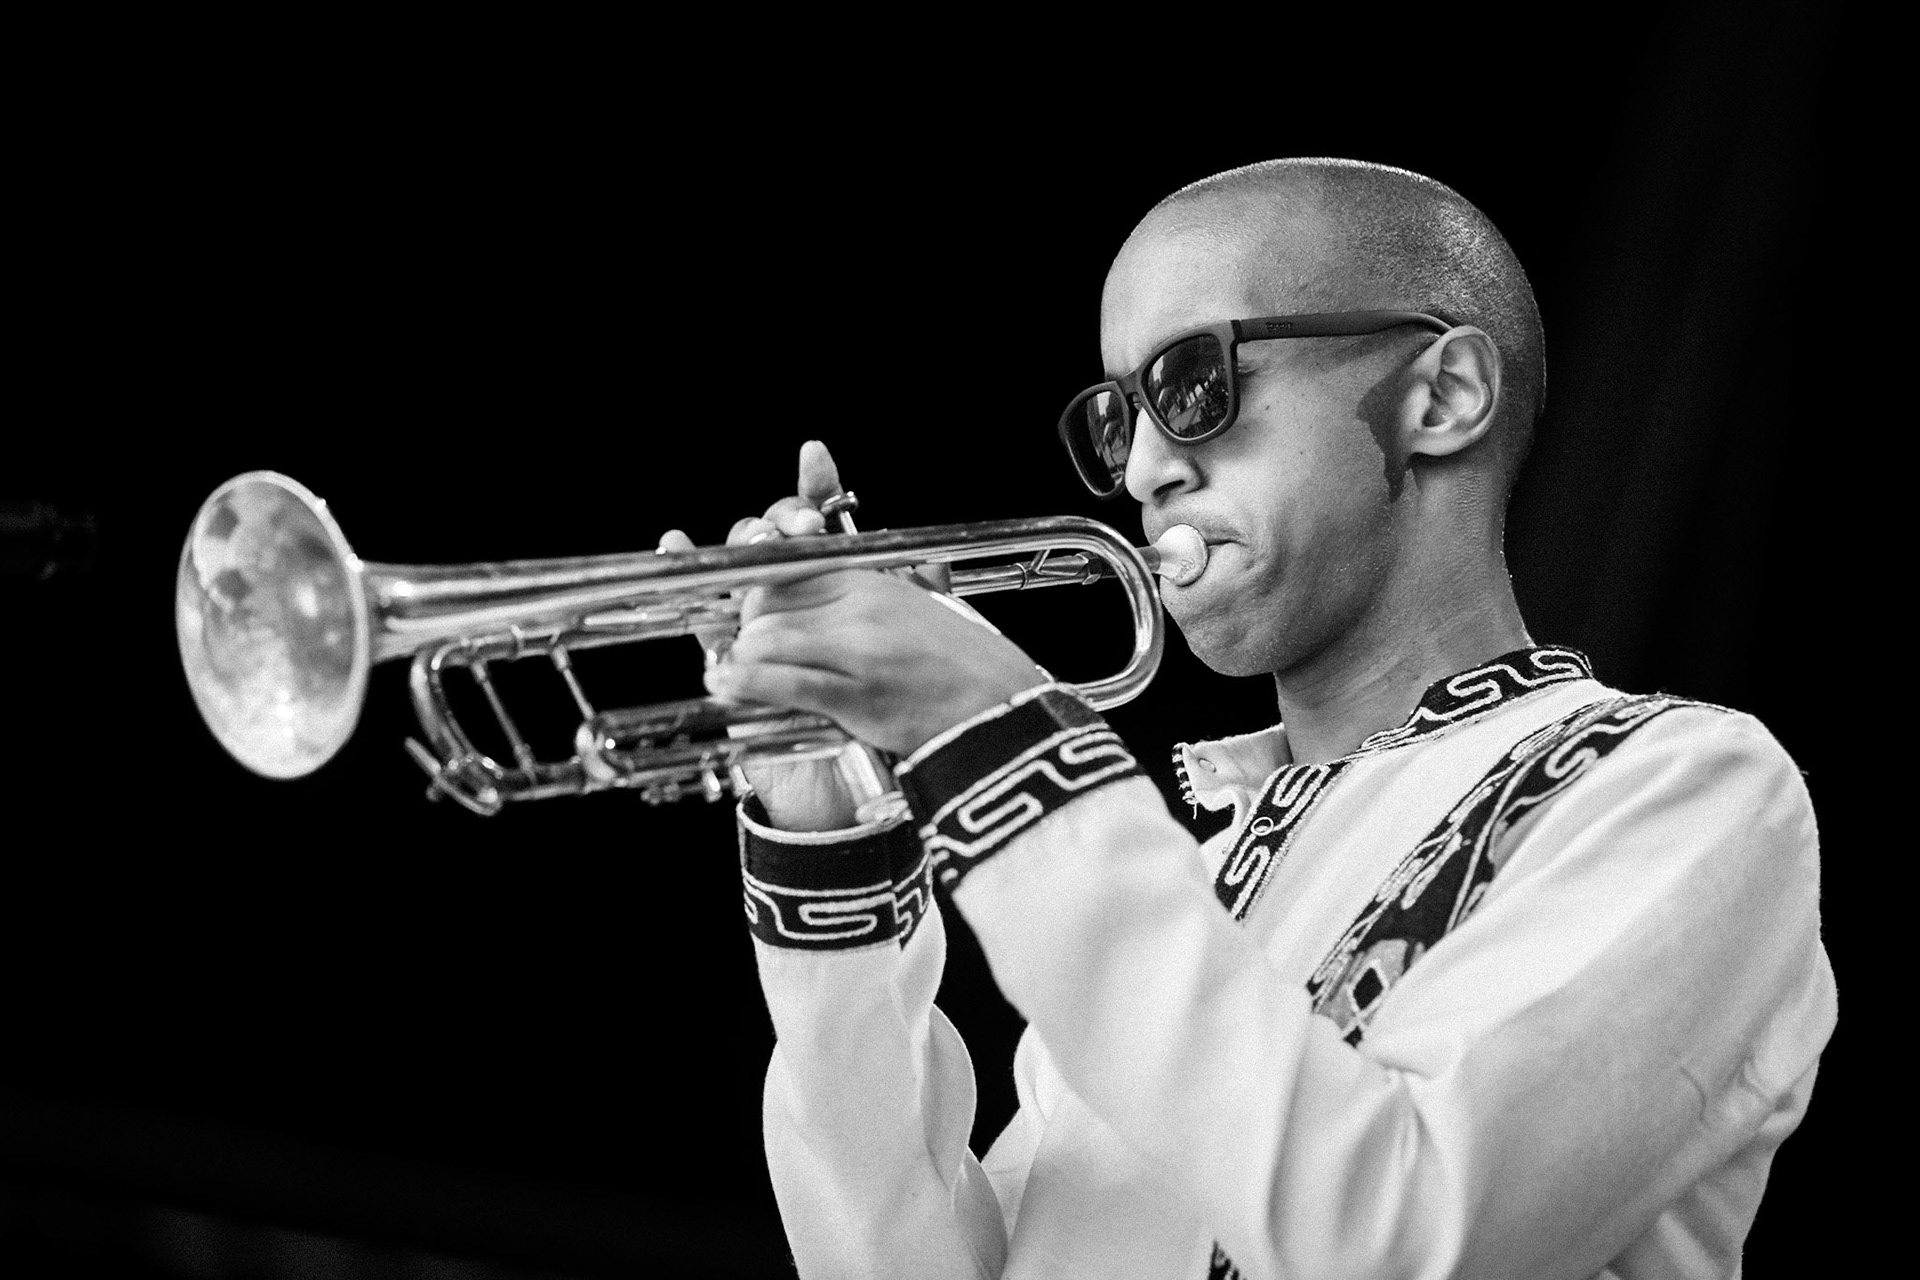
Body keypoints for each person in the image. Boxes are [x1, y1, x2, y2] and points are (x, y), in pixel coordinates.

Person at [658, 159, 1836, 1280]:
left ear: (1445, 396)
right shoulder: (1197, 878)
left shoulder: (1683, 786)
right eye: (1121, 417)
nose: (1144, 470)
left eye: (1195, 384)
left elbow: (1408, 1236)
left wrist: (991, 722)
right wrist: (834, 850)